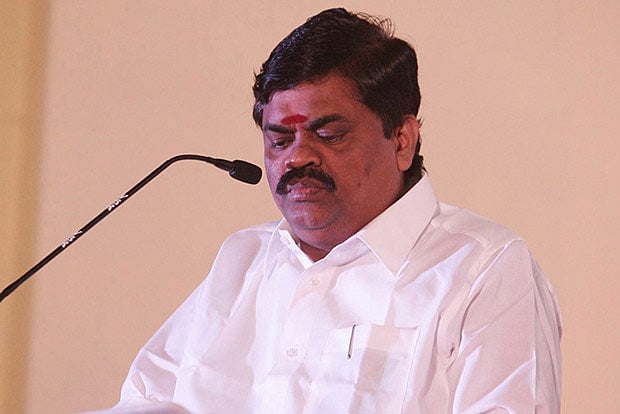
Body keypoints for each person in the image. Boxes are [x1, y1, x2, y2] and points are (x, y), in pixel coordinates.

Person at [110, 8, 562, 413]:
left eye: (329, 135)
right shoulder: (243, 260)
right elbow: (146, 401)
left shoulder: (482, 269)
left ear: (402, 140)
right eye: (279, 140)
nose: (296, 158)